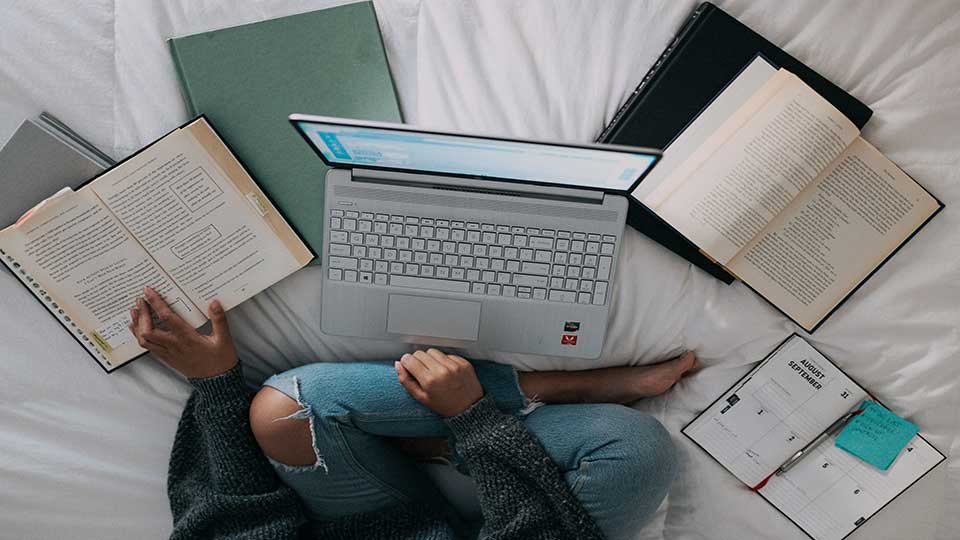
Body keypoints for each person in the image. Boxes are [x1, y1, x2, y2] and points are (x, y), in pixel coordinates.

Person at [130, 287, 696, 540]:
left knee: (287, 407)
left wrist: (216, 384)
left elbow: (242, 521)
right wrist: (473, 420)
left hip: (369, 526)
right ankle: (460, 431)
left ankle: (532, 388)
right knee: (637, 447)